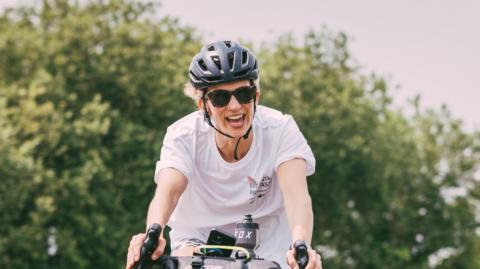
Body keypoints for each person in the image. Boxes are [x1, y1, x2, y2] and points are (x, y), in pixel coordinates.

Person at [126, 40, 322, 269]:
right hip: (197, 244)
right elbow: (168, 192)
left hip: (267, 252)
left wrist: (302, 244)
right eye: (220, 98)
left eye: (243, 94)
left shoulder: (281, 129)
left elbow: (297, 196)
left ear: (256, 96)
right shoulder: (183, 135)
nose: (235, 106)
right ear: (203, 105)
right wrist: (154, 231)